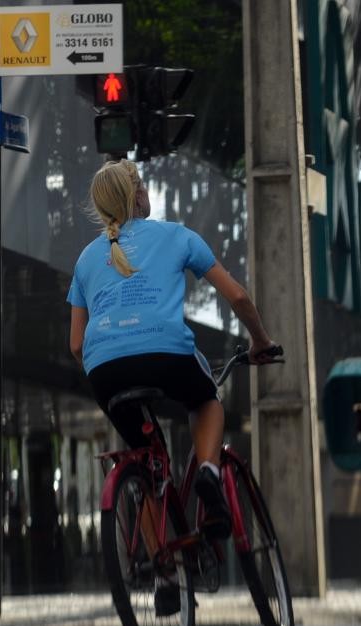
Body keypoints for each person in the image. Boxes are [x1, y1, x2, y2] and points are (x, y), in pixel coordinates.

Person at [66, 159, 278, 545]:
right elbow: (238, 297)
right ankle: (209, 474)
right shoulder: (178, 236)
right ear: (140, 195)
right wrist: (260, 341)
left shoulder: (84, 259)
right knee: (206, 400)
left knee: (145, 464)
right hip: (166, 355)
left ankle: (163, 573)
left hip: (105, 372)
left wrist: (111, 366)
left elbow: (76, 344)